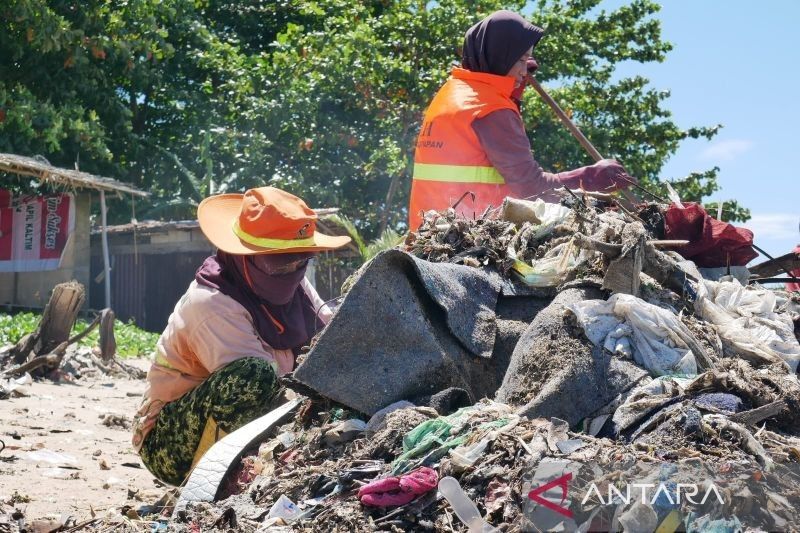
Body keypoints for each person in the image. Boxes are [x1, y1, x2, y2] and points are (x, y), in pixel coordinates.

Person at [131, 186, 351, 485]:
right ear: (245, 257)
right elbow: (268, 394)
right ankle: (214, 482)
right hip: (172, 441)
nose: (293, 270)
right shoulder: (212, 304)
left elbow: (328, 341)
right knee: (253, 376)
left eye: (300, 261)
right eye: (281, 263)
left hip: (258, 419)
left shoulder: (295, 286)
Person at [408, 10, 636, 229]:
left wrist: (511, 91)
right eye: (520, 60)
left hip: (427, 232)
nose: (524, 71)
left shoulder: (453, 93)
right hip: (469, 236)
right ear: (500, 57)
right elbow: (532, 188)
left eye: (528, 61)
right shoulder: (491, 108)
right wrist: (591, 178)